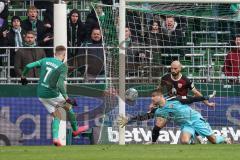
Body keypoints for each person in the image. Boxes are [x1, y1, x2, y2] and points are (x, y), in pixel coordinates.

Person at [20, 45, 89, 146]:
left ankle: (56, 138)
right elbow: (60, 84)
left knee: (57, 115)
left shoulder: (45, 60)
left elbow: (28, 66)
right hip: (52, 94)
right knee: (68, 106)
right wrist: (67, 98)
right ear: (64, 55)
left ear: (54, 54)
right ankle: (75, 129)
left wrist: (23, 76)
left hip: (41, 94)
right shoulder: (63, 66)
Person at [119, 89, 231, 144]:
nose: (152, 99)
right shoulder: (159, 110)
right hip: (186, 125)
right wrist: (128, 120)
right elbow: (144, 116)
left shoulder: (174, 99)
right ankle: (192, 139)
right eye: (151, 97)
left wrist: (206, 97)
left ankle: (225, 138)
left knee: (214, 141)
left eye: (154, 97)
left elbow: (191, 99)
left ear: (160, 96)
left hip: (196, 120)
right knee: (184, 142)